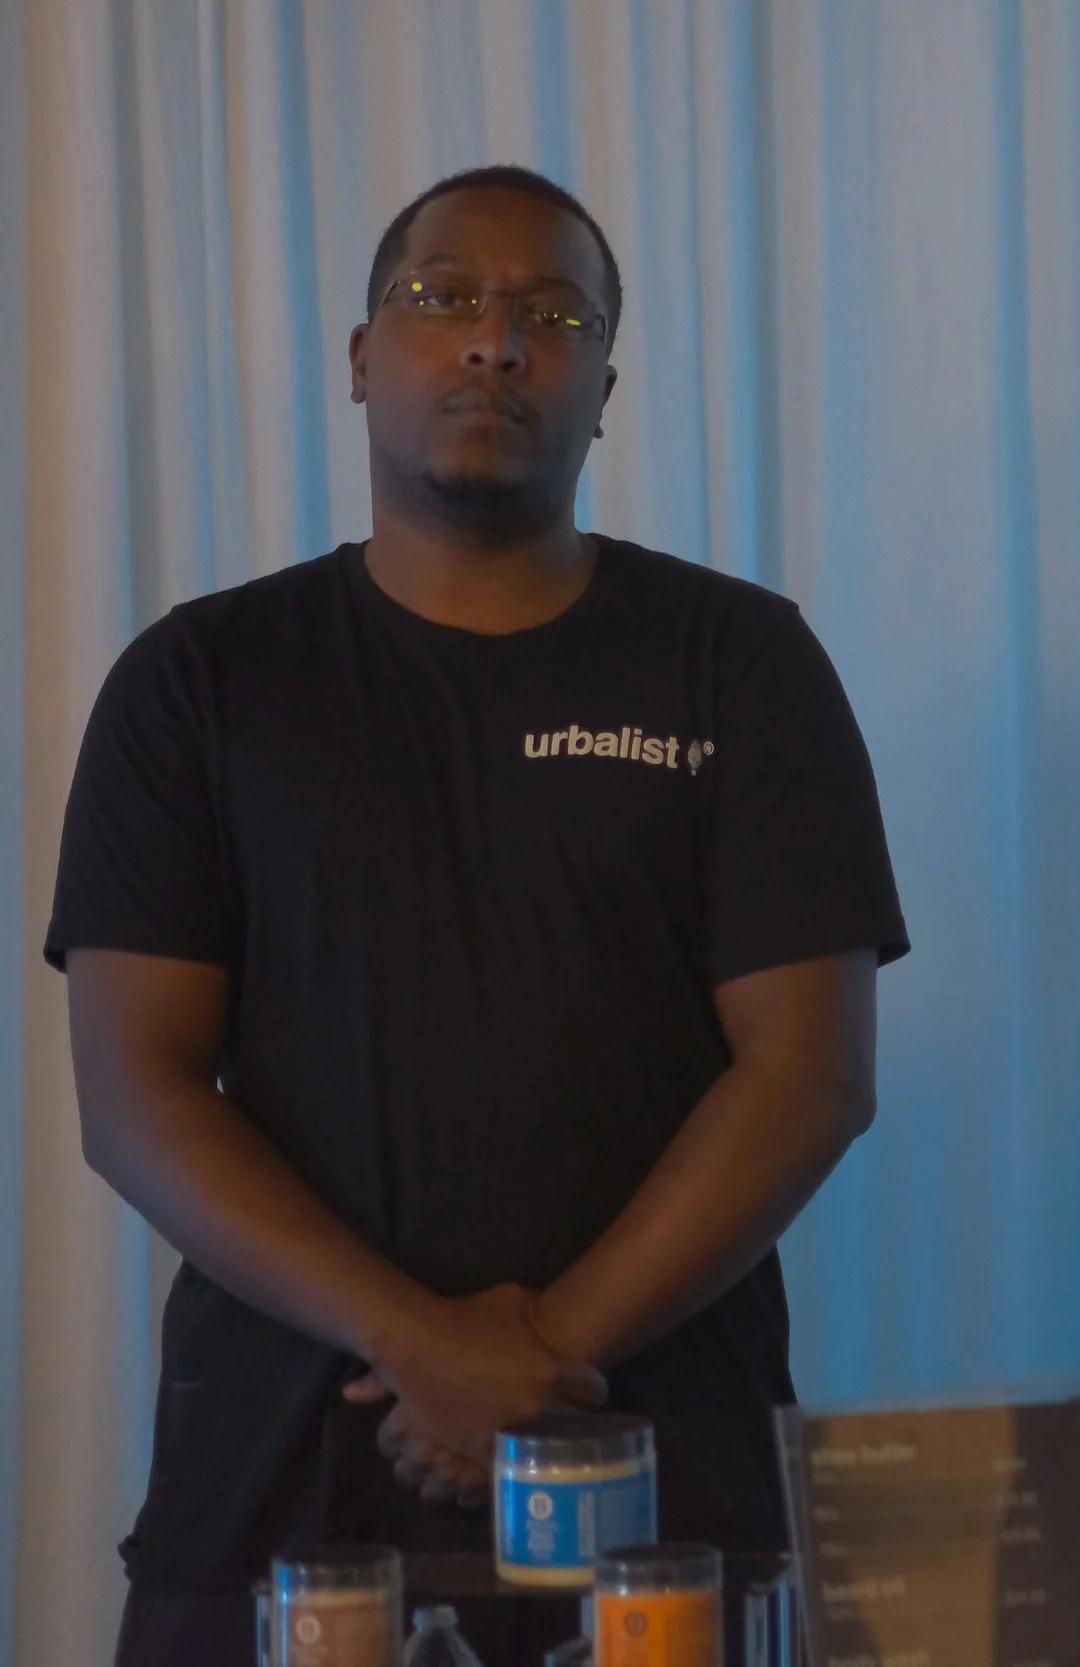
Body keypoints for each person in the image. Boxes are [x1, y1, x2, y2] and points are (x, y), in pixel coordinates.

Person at [47, 165, 908, 1667]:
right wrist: (420, 1344)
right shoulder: (203, 681)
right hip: (281, 1482)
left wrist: (543, 1356)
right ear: (361, 358)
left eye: (555, 317)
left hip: (663, 1485)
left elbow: (808, 1075)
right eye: (443, 297)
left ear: (606, 391)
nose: (497, 341)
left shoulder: (739, 664)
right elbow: (134, 1095)